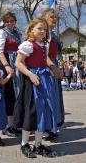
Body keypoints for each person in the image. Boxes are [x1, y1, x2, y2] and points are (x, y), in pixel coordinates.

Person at [13, 18, 58, 158]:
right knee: (31, 112)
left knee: (43, 112)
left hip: (44, 81)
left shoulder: (43, 45)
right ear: (32, 29)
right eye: (39, 28)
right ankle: (24, 144)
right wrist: (31, 75)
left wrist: (52, 68)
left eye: (45, 29)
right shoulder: (28, 44)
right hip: (32, 82)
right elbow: (18, 63)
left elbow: (44, 61)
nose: (43, 31)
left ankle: (38, 145)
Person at [0, 12, 22, 137]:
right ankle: (7, 126)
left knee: (16, 94)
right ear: (4, 23)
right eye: (7, 21)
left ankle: (14, 124)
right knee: (9, 94)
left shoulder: (17, 33)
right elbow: (0, 52)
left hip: (17, 63)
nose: (10, 23)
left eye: (12, 21)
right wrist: (7, 66)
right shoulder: (1, 33)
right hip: (6, 63)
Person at [41, 8, 65, 140]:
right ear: (44, 18)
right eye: (51, 17)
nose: (54, 19)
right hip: (45, 67)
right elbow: (43, 54)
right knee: (46, 98)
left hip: (53, 65)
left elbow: (56, 53)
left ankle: (52, 126)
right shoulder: (43, 34)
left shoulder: (54, 35)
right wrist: (54, 68)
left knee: (54, 98)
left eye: (55, 17)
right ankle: (45, 129)